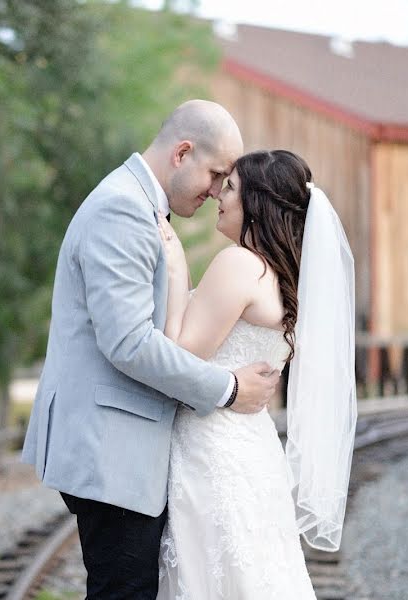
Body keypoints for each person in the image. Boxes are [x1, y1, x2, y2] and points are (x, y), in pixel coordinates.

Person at [20, 100, 281, 600]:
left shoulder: (138, 207)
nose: (215, 193)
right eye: (215, 175)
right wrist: (228, 389)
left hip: (122, 446)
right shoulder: (122, 209)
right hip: (112, 447)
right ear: (183, 152)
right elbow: (130, 343)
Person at [156, 150, 357, 599]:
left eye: (229, 188)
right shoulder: (291, 279)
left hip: (211, 450)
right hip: (254, 452)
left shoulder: (240, 264)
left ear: (257, 203)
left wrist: (175, 272)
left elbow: (179, 356)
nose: (217, 197)